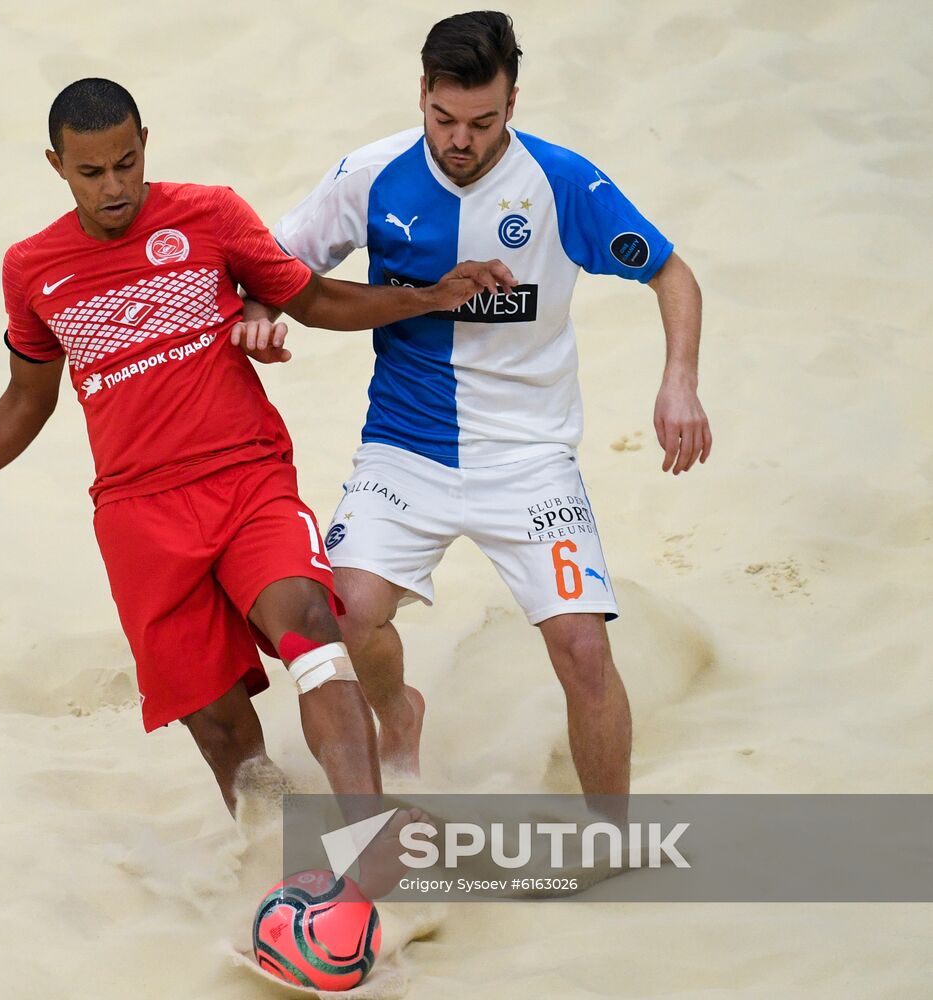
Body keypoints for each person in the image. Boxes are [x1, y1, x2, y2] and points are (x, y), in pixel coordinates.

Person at [0, 78, 511, 818]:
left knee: (314, 639)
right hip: (138, 517)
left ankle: (370, 839)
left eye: (127, 163)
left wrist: (424, 296)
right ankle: (276, 853)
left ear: (145, 146)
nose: (114, 187)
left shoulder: (209, 214)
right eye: (91, 171)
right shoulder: (31, 268)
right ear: (56, 165)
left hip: (245, 479)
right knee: (220, 730)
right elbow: (25, 399)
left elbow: (313, 299)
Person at [234, 12, 712, 798]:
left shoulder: (561, 181)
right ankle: (401, 715)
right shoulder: (371, 173)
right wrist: (260, 309)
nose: (460, 140)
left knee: (582, 650)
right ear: (421, 92)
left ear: (512, 104)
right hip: (404, 445)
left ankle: (611, 834)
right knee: (350, 614)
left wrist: (679, 380)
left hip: (528, 457)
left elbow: (671, 274)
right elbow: (276, 264)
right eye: (443, 118)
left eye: (482, 122)